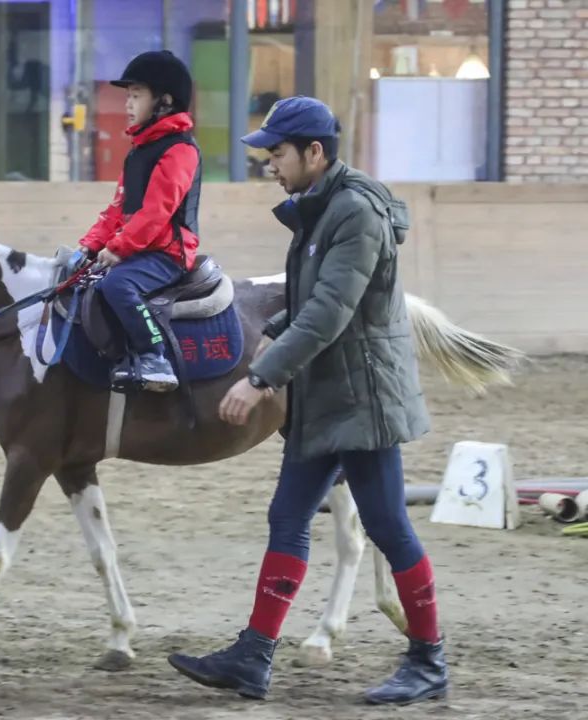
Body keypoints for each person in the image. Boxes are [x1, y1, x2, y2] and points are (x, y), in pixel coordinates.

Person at [166, 96, 447, 706]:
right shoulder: (320, 209)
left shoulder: (355, 214)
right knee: (287, 516)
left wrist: (259, 375)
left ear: (314, 153)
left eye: (277, 153)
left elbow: (332, 309)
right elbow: (314, 295)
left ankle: (429, 660)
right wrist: (272, 327)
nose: (269, 163)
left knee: (387, 525)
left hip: (361, 396)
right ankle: (254, 656)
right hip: (325, 391)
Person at [68, 50, 202, 392]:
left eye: (136, 95)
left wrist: (118, 249)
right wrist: (90, 244)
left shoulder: (179, 151)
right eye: (128, 96)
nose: (127, 104)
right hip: (139, 250)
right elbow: (118, 209)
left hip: (168, 253)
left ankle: (155, 357)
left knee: (117, 285)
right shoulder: (138, 152)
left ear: (165, 101)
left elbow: (157, 212)